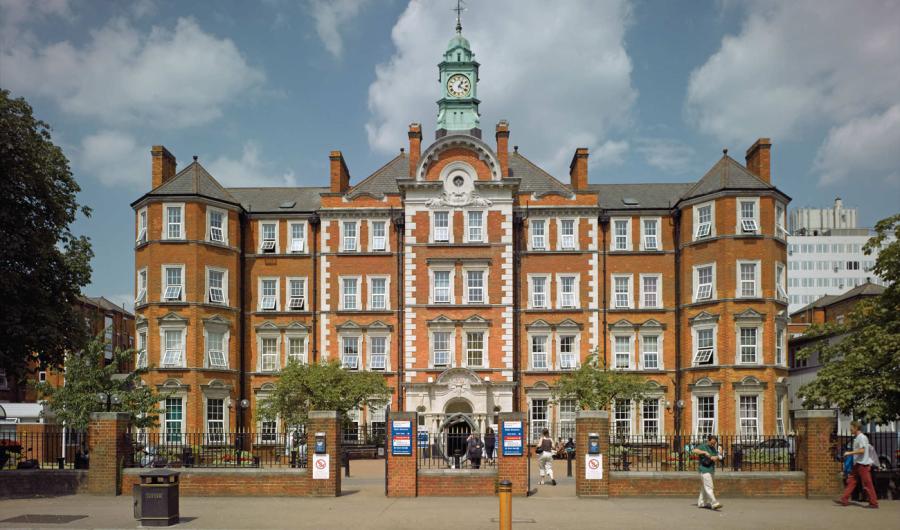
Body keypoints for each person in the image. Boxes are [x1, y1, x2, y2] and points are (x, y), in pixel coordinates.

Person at [835, 420, 879, 509]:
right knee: (851, 481)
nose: (850, 430)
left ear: (856, 428)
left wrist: (849, 453)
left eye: (851, 428)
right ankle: (844, 499)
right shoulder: (857, 438)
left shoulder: (861, 438)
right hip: (858, 464)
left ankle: (874, 503)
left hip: (863, 465)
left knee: (867, 484)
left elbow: (862, 450)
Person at [692, 434, 722, 510]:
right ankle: (714, 503)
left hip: (711, 469)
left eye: (714, 443)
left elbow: (716, 457)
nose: (713, 444)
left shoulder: (713, 449)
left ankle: (701, 503)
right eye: (712, 443)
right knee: (709, 487)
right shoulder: (703, 446)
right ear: (708, 440)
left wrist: (717, 457)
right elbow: (694, 450)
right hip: (704, 469)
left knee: (704, 487)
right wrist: (704, 452)